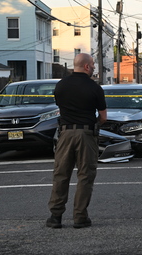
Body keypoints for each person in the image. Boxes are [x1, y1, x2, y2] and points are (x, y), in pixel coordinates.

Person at [46, 53, 107, 229]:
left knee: (61, 175)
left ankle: (55, 217)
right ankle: (80, 217)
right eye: (93, 65)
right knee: (85, 176)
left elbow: (61, 107)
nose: (94, 67)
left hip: (65, 134)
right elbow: (103, 116)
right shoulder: (95, 88)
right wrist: (93, 124)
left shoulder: (61, 85)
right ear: (87, 66)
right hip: (86, 134)